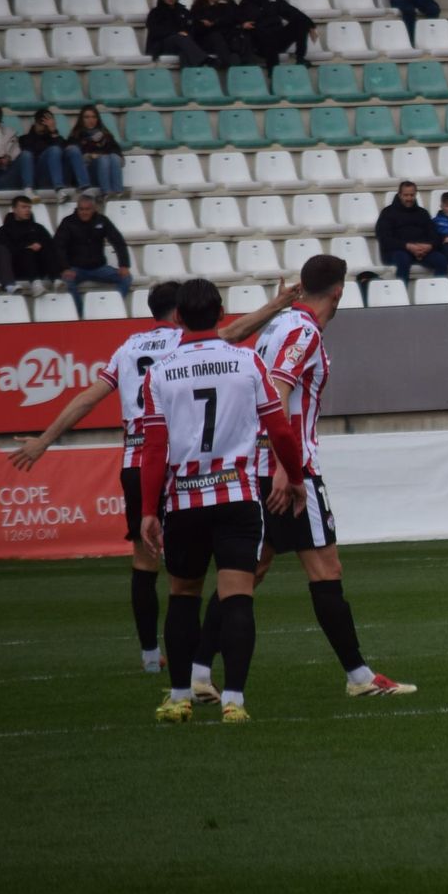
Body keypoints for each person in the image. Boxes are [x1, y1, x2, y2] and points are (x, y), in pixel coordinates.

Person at [6, 280, 296, 673]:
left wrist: (44, 441)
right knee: (208, 573)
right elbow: (236, 332)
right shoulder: (189, 343)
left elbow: (88, 398)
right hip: (184, 467)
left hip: (137, 463)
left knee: (146, 563)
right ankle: (200, 664)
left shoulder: (128, 349)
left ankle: (149, 656)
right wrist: (277, 303)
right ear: (181, 313)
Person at [189, 256, 417, 703]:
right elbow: (278, 392)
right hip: (293, 470)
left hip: (256, 465)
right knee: (325, 570)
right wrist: (286, 468)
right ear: (339, 291)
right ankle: (359, 677)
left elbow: (234, 347)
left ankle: (197, 674)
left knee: (249, 572)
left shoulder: (277, 326)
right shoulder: (303, 331)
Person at [139, 278, 308, 724]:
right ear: (221, 314)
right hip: (237, 496)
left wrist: (148, 511)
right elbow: (280, 429)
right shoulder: (247, 361)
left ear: (178, 318)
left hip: (184, 501)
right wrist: (295, 477)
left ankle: (180, 697)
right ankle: (234, 700)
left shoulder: (160, 371)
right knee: (237, 596)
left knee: (182, 595)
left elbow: (153, 449)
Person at [55, 192, 132, 312]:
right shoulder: (68, 222)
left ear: (94, 209)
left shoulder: (102, 220)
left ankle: (111, 308)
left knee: (127, 278)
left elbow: (118, 241)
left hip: (99, 268)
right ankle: (81, 315)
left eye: (87, 209)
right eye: (81, 209)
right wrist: (65, 268)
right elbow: (59, 246)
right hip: (76, 269)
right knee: (66, 282)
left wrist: (124, 265)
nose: (84, 212)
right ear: (77, 209)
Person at [236, 0, 316, 69]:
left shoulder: (273, 0)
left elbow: (292, 12)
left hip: (279, 38)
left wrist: (310, 25)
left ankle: (300, 58)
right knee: (268, 39)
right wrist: (242, 25)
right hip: (260, 44)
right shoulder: (243, 6)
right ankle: (273, 74)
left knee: (301, 22)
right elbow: (236, 22)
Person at [376, 180, 448, 282]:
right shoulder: (387, 213)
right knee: (403, 259)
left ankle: (440, 290)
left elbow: (434, 235)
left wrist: (429, 246)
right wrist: (408, 246)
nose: (409, 198)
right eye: (406, 195)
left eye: (412, 195)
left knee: (441, 260)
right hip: (396, 251)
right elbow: (384, 238)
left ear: (415, 194)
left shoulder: (423, 213)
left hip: (422, 252)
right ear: (399, 195)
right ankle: (402, 291)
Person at [0, 196, 62, 296]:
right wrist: (26, 247)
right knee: (28, 252)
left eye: (29, 207)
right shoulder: (4, 230)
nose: (27, 210)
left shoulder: (38, 227)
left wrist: (40, 245)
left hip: (40, 265)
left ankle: (56, 279)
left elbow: (51, 244)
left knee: (46, 248)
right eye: (23, 207)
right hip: (17, 266)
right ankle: (36, 284)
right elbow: (5, 250)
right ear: (14, 209)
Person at [145, 0, 217, 68]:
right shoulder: (155, 12)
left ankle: (188, 74)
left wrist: (202, 23)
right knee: (180, 37)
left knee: (184, 51)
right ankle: (205, 59)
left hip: (181, 43)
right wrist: (176, 33)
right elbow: (155, 31)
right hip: (162, 46)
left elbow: (192, 25)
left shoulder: (182, 11)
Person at [20, 108, 88, 193]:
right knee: (54, 150)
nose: (44, 125)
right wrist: (41, 134)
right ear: (35, 123)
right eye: (41, 122)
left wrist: (53, 132)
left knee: (73, 149)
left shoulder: (55, 137)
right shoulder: (25, 139)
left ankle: (84, 186)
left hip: (61, 176)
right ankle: (58, 188)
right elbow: (30, 158)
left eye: (48, 122)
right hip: (41, 177)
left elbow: (64, 150)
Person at [66, 106, 125, 196]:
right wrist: (90, 156)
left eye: (94, 117)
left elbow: (118, 154)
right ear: (81, 119)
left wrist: (112, 157)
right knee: (103, 159)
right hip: (88, 175)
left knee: (114, 157)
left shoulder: (106, 135)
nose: (91, 120)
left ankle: (118, 193)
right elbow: (74, 160)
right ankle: (107, 194)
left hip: (106, 171)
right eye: (87, 117)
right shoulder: (75, 136)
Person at [190, 0, 246, 68]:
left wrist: (217, 20)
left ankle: (239, 66)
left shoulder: (228, 3)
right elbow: (196, 27)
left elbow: (236, 17)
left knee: (237, 42)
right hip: (207, 40)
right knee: (216, 36)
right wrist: (208, 24)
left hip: (227, 38)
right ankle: (229, 65)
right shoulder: (199, 6)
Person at [0, 106, 21, 190]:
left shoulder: (10, 133)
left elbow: (16, 153)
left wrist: (8, 158)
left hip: (5, 172)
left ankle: (28, 189)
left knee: (26, 156)